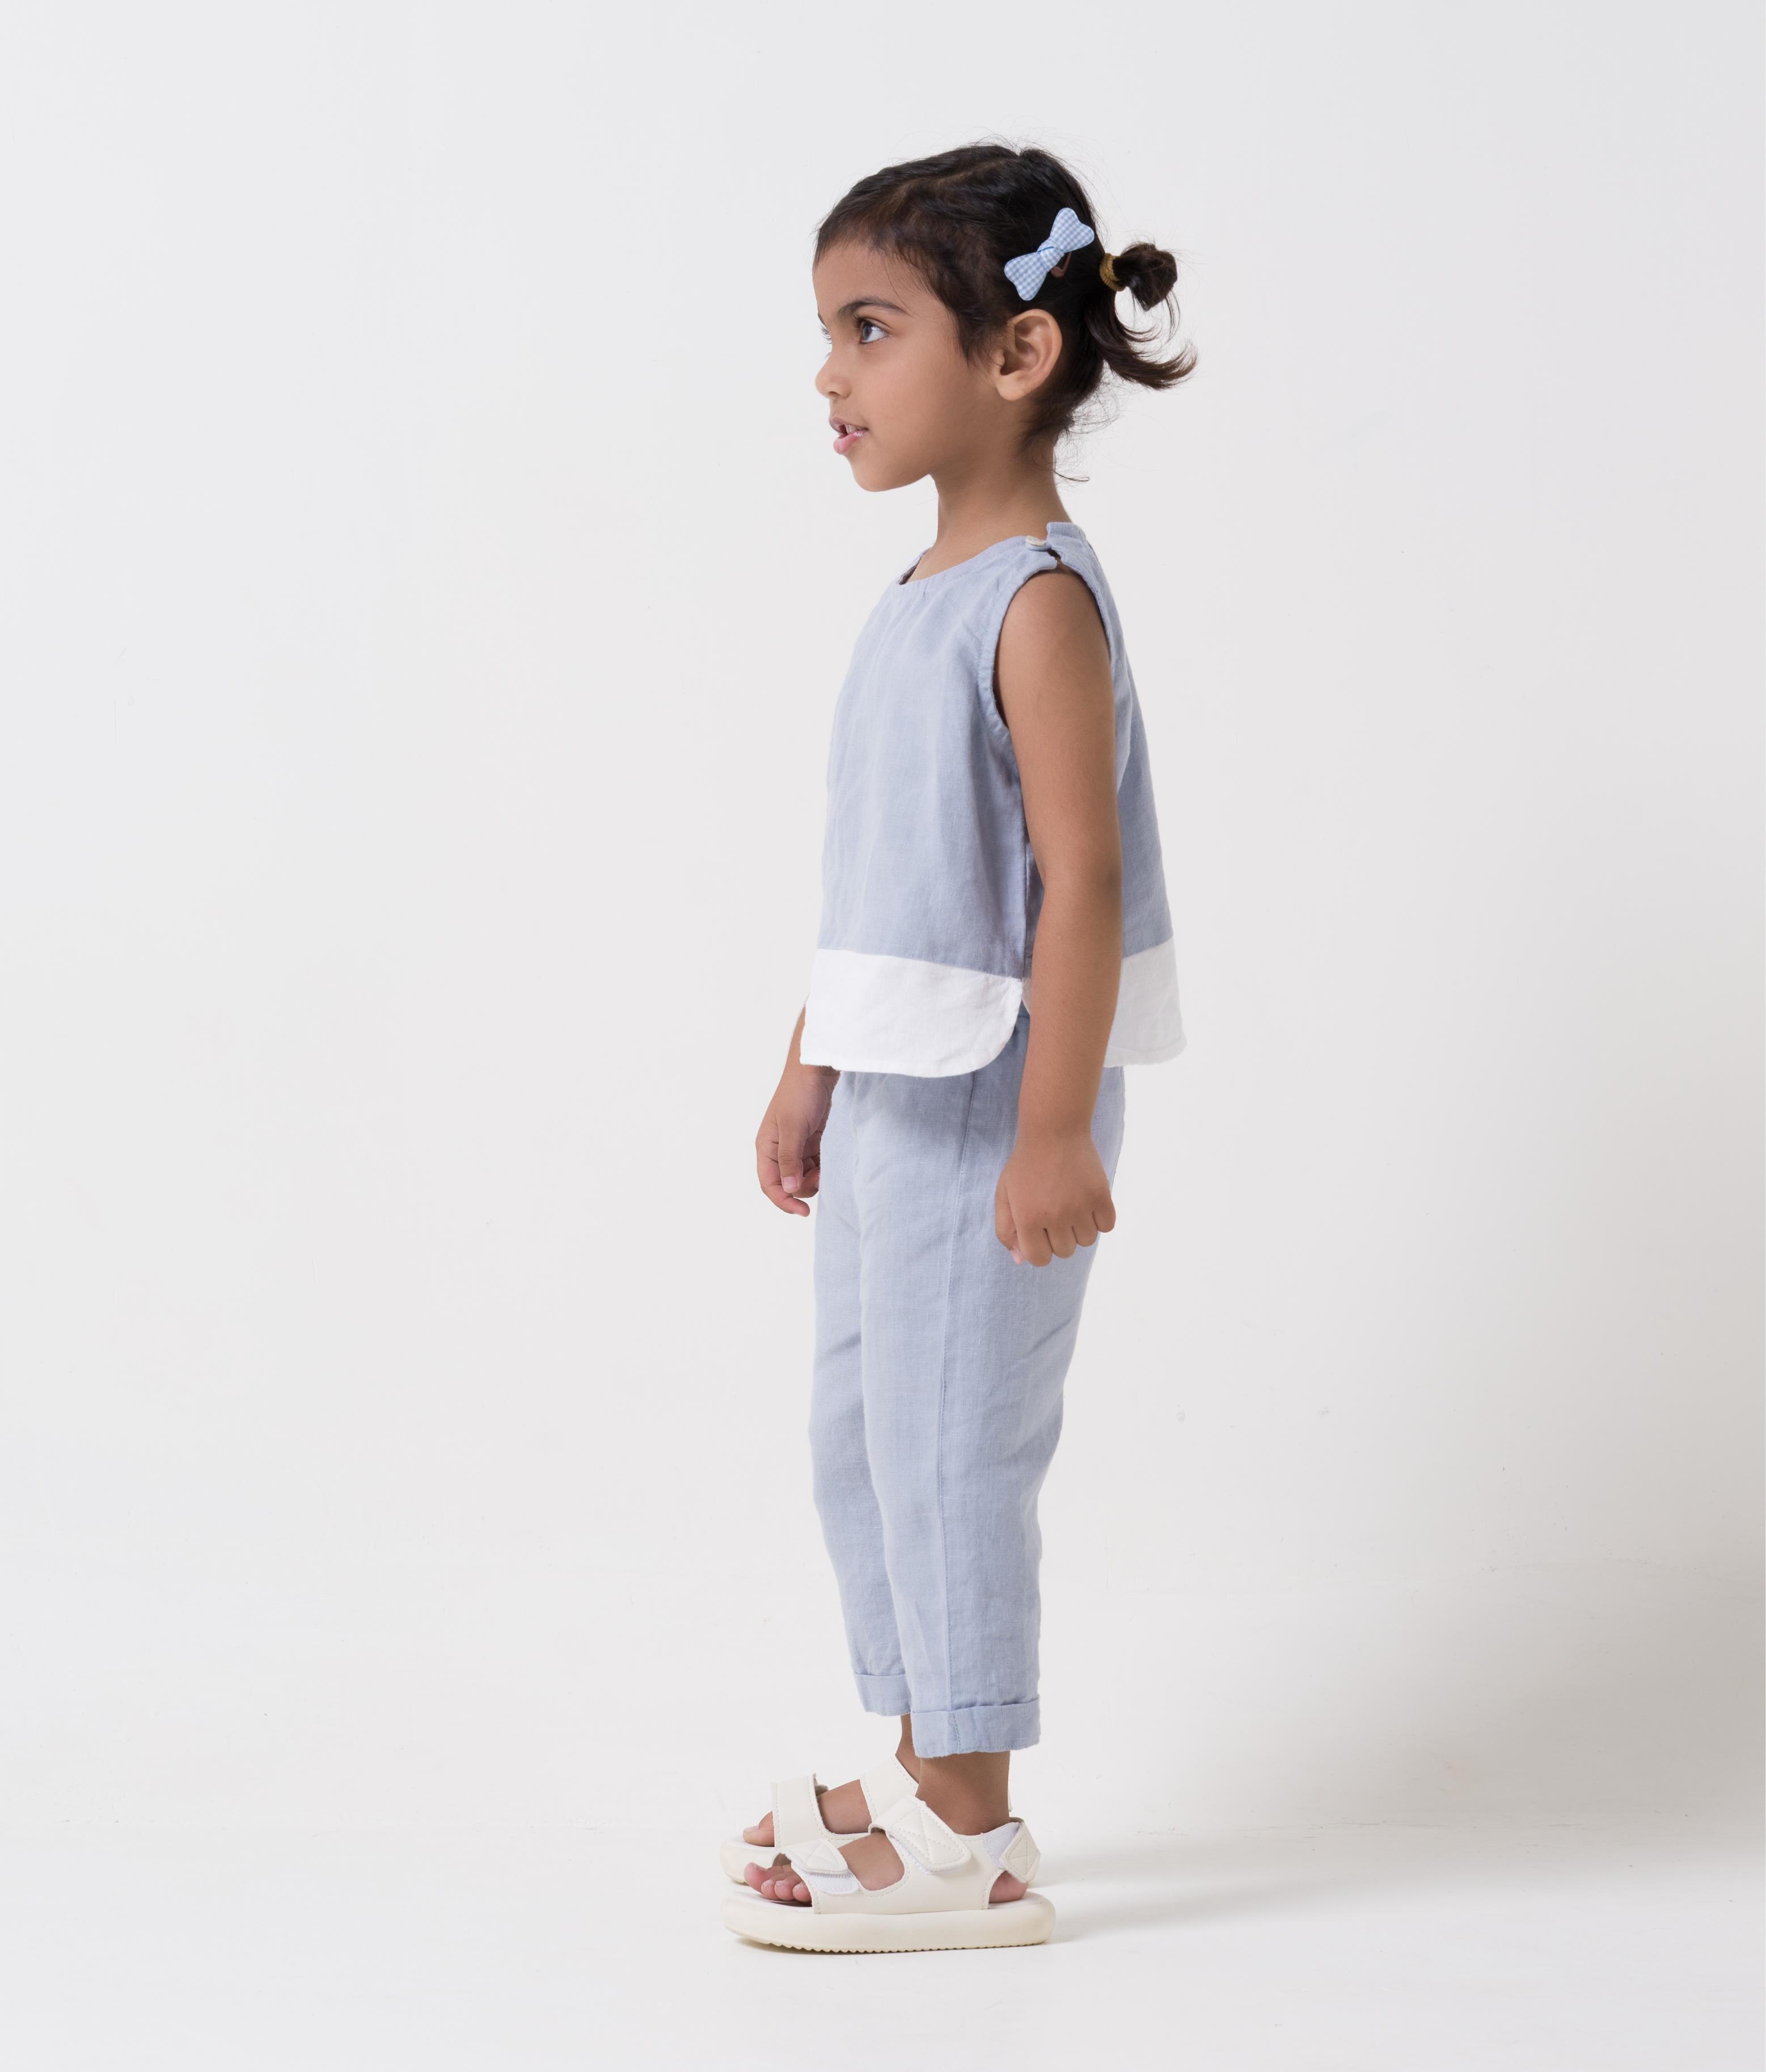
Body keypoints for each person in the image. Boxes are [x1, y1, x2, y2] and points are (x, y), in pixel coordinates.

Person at [719, 142, 1195, 1956]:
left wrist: (1054, 1129)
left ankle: (972, 1826)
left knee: (951, 1451)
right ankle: (928, 1765)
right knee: (865, 1439)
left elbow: (1077, 881)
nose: (827, 373)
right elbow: (892, 879)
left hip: (996, 1097)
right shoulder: (921, 590)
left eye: (869, 329)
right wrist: (811, 1063)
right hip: (891, 1096)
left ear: (1014, 355)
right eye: (828, 332)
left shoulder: (1034, 599)